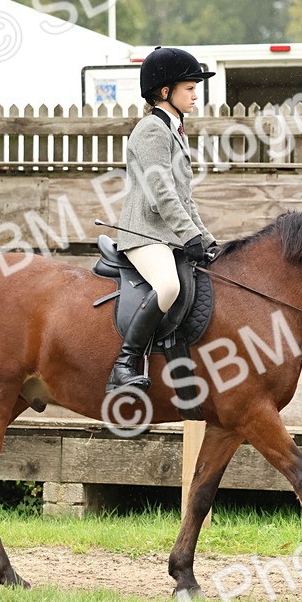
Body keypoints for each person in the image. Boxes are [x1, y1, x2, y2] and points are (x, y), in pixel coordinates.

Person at [109, 46, 220, 392]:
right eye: (190, 88)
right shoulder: (152, 130)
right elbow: (162, 193)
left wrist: (205, 239)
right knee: (169, 286)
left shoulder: (175, 129)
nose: (195, 95)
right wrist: (189, 237)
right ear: (165, 91)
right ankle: (125, 363)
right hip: (144, 234)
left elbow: (184, 197)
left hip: (167, 235)